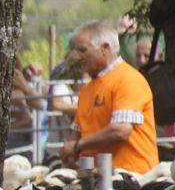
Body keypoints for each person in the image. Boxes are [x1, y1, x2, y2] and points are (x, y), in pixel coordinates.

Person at [60, 20, 158, 175]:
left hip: (133, 179)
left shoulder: (128, 80)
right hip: (95, 178)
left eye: (82, 50)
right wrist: (70, 152)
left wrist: (78, 145)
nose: (77, 57)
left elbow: (121, 130)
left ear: (105, 48)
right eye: (76, 51)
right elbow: (76, 134)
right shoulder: (86, 90)